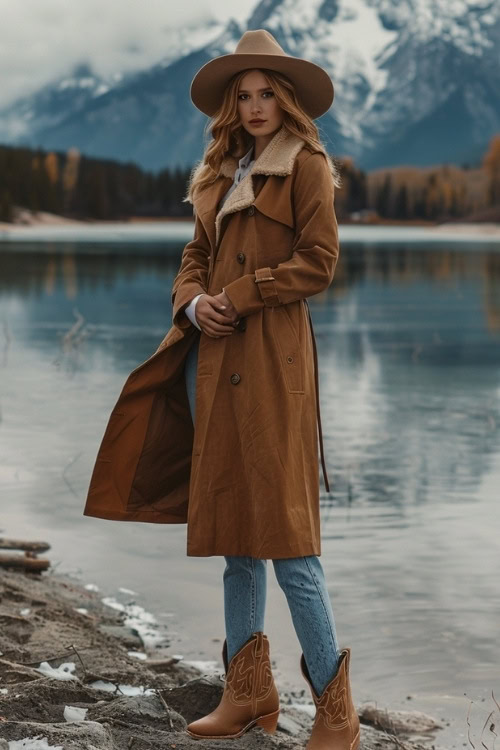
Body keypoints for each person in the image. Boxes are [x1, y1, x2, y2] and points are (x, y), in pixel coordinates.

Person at [83, 28, 360, 750]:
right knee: (238, 539)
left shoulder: (306, 164)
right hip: (213, 366)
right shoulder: (218, 173)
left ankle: (337, 712)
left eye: (268, 92)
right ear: (230, 106)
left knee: (292, 547)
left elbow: (320, 262)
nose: (257, 104)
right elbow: (194, 255)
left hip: (273, 368)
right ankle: (247, 695)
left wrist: (241, 293)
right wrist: (191, 302)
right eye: (245, 95)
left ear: (287, 100)